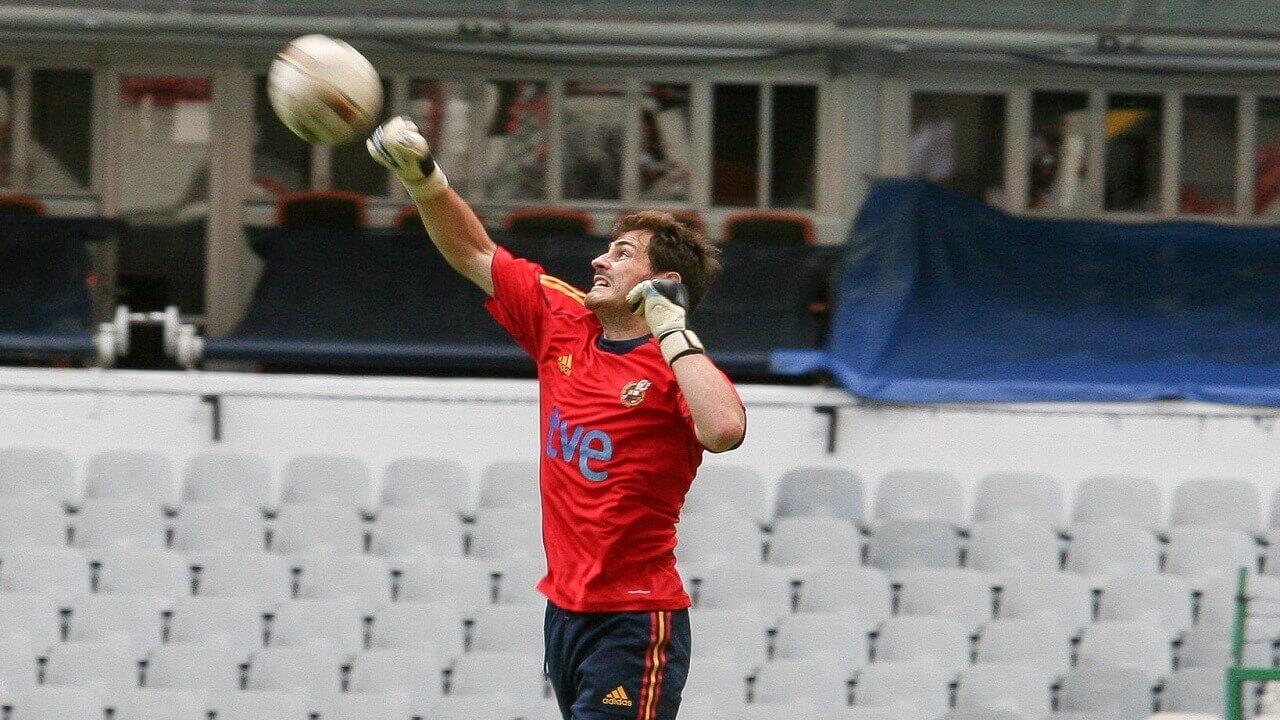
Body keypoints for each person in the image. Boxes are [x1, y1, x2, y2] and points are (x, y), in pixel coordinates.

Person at [368, 116, 746, 720]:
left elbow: (724, 429)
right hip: (565, 614)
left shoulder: (675, 365)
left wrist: (673, 331)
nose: (598, 261)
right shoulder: (563, 321)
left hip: (634, 621)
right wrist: (424, 179)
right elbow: (474, 252)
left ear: (663, 282)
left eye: (621, 254)